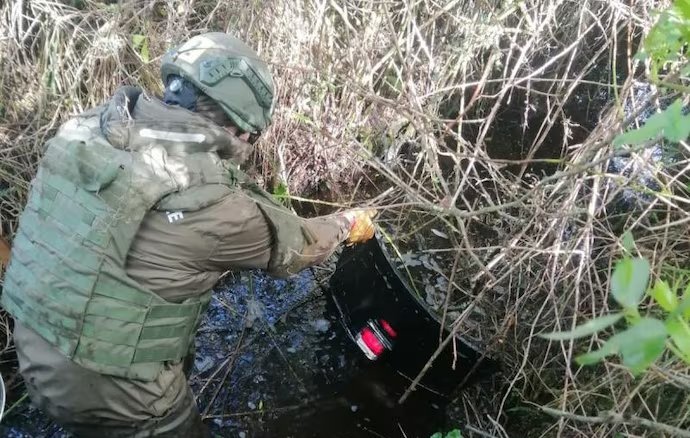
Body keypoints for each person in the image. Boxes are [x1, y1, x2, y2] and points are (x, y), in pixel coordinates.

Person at [1, 32, 375, 437]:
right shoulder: (210, 202)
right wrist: (347, 224)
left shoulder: (85, 129)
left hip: (33, 350)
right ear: (238, 126)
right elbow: (299, 247)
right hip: (114, 396)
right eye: (251, 134)